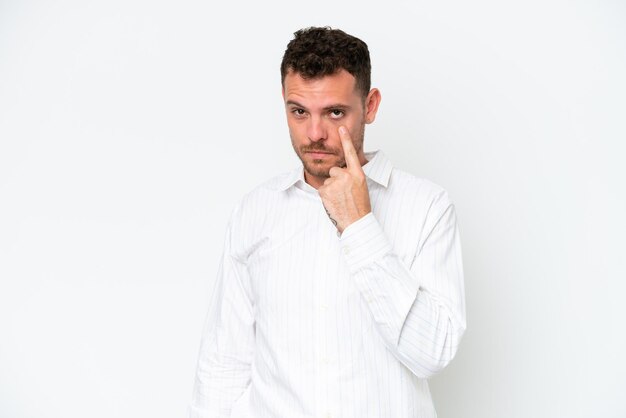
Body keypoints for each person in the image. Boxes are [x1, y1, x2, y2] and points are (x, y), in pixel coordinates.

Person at [189, 26, 466, 418]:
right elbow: (223, 365)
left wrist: (359, 226)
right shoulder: (255, 211)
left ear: (369, 106)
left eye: (335, 112)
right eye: (299, 111)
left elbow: (433, 352)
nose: (314, 134)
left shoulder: (427, 207)